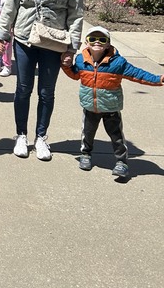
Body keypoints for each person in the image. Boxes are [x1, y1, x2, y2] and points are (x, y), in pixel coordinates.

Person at [0, 0, 84, 161]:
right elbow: (11, 7)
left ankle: (41, 137)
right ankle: (21, 135)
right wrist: (1, 37)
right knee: (23, 89)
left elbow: (75, 15)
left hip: (53, 44)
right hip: (24, 39)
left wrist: (71, 48)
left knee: (47, 92)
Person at [61, 25, 164, 179]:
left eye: (102, 39)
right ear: (86, 42)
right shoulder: (82, 59)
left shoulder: (118, 63)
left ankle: (121, 162)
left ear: (108, 43)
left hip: (111, 108)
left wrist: (158, 79)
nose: (97, 42)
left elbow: (137, 74)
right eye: (93, 39)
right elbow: (76, 74)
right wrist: (66, 66)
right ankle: (86, 155)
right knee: (87, 133)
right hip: (90, 106)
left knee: (116, 136)